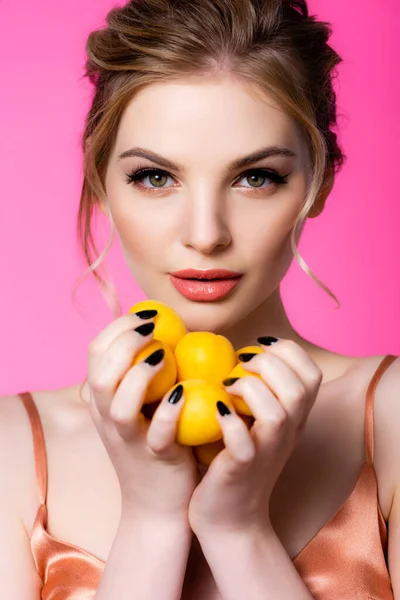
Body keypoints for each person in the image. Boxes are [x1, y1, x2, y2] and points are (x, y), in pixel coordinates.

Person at [1, 0, 399, 598]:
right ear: (100, 185)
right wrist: (152, 519)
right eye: (155, 177)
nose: (206, 233)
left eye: (256, 176)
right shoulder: (12, 446)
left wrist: (238, 531)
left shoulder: (389, 420)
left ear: (318, 184)